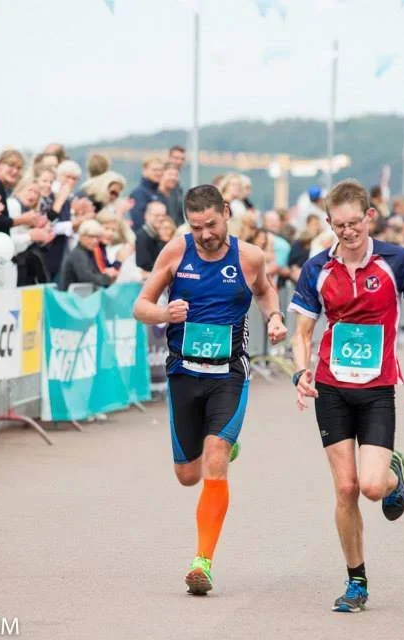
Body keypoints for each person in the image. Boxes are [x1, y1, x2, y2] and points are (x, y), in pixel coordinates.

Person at [287, 178, 404, 614]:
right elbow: (302, 331)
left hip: (375, 390)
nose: (348, 232)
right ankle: (356, 581)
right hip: (331, 388)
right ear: (328, 222)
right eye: (339, 225)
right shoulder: (317, 267)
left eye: (354, 223)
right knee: (346, 487)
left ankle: (393, 472)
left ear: (369, 217)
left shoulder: (397, 261)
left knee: (373, 487)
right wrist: (301, 370)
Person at [132, 184, 287, 596]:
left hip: (228, 373)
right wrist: (164, 312)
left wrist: (273, 317)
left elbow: (266, 289)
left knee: (215, 459)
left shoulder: (248, 256)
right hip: (183, 372)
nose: (205, 234)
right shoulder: (175, 252)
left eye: (211, 225)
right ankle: (221, 445)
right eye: (196, 226)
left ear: (227, 213)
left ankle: (202, 561)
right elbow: (139, 305)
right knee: (187, 475)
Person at [57, 220, 119, 290]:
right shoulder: (78, 254)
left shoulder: (89, 252)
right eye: (91, 237)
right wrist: (108, 278)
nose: (95, 241)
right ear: (81, 236)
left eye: (97, 237)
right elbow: (86, 277)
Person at [128, 157, 163, 229]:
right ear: (144, 171)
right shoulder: (139, 193)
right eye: (155, 170)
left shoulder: (158, 192)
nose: (158, 173)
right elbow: (138, 222)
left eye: (160, 170)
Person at [135, 201, 169, 272]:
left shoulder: (160, 235)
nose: (161, 218)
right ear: (146, 215)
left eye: (163, 215)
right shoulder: (142, 236)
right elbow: (143, 264)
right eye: (157, 215)